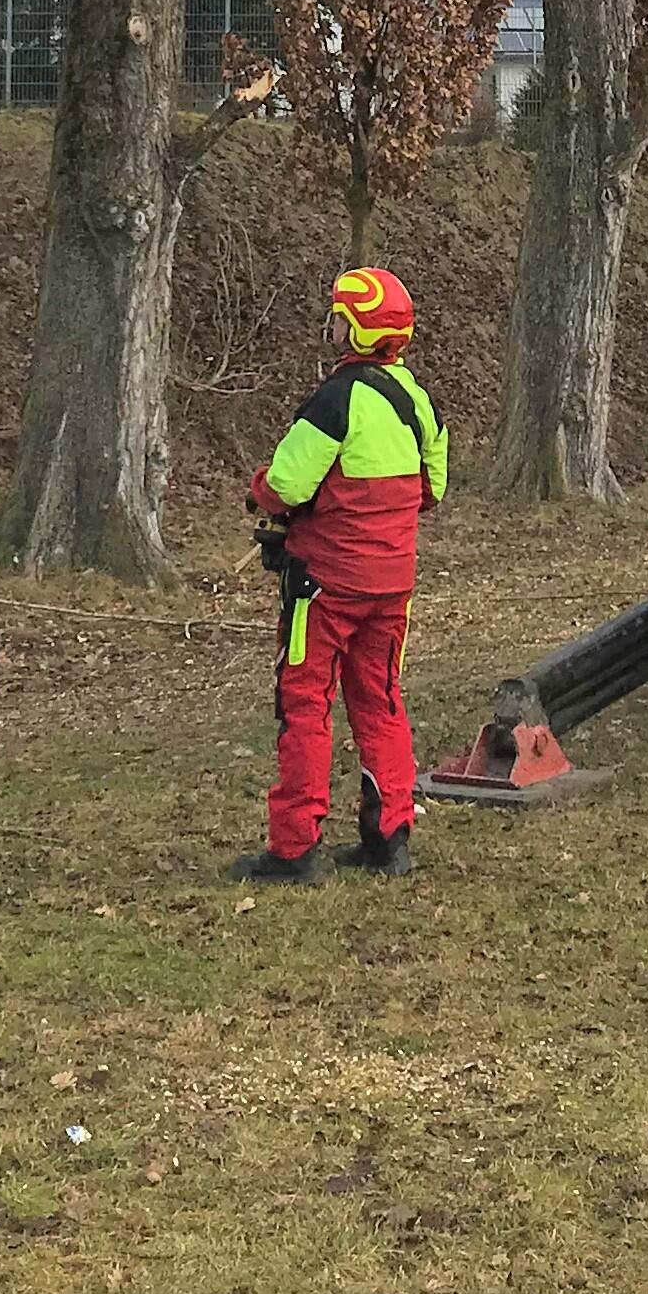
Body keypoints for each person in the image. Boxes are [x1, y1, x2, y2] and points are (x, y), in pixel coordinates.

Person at [235, 265, 448, 884]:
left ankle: (294, 848)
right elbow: (431, 489)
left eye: (336, 316)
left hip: (324, 585)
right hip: (393, 586)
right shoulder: (419, 404)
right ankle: (389, 839)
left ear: (351, 329)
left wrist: (262, 494)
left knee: (305, 705)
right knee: (380, 702)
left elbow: (283, 485)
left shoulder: (335, 400)